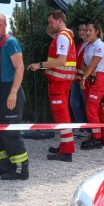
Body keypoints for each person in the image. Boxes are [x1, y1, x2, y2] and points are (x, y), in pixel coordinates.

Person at [0, 14, 29, 180]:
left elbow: (20, 67)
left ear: (5, 25)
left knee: (10, 133)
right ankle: (2, 166)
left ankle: (20, 170)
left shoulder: (10, 42)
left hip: (10, 91)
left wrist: (13, 92)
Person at [27, 10, 77, 162]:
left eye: (51, 22)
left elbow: (61, 61)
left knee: (62, 117)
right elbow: (49, 31)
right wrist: (54, 26)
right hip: (61, 83)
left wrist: (40, 65)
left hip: (58, 83)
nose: (49, 25)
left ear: (60, 21)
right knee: (62, 116)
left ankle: (66, 152)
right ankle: (64, 146)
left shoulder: (62, 37)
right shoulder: (65, 35)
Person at [79, 19, 104, 150]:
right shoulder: (89, 46)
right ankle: (95, 135)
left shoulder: (99, 45)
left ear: (96, 31)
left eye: (90, 30)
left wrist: (84, 77)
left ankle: (97, 139)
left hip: (98, 79)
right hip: (91, 78)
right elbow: (82, 64)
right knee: (91, 109)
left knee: (91, 108)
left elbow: (93, 64)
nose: (88, 32)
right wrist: (88, 74)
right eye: (87, 30)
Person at [70, 22, 89, 129]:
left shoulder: (92, 45)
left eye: (84, 30)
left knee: (87, 105)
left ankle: (91, 130)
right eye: (80, 30)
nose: (81, 32)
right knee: (74, 103)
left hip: (85, 80)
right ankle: (83, 127)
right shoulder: (79, 45)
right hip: (76, 79)